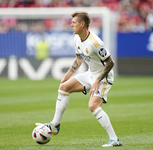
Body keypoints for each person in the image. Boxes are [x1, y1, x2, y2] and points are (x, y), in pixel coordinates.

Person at [36, 11, 122, 147]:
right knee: (63, 87)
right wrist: (67, 76)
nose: (71, 25)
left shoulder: (96, 42)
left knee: (93, 106)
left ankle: (115, 139)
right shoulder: (77, 38)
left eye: (74, 23)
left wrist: (97, 81)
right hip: (90, 74)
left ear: (82, 24)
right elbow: (79, 59)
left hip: (104, 78)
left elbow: (110, 63)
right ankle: (55, 125)